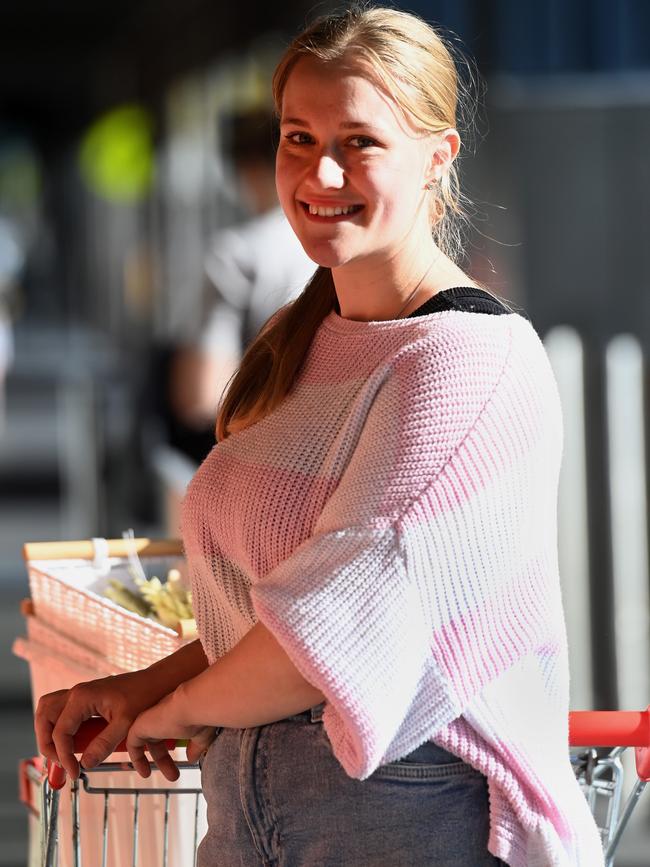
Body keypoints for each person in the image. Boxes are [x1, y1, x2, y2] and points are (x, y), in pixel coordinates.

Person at [35, 7, 604, 866]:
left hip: (412, 812)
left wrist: (176, 711)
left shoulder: (471, 359)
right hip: (247, 800)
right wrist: (144, 686)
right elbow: (278, 606)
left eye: (360, 141)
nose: (319, 169)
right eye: (297, 136)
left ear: (437, 158)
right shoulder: (296, 344)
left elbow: (341, 627)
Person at [166, 108, 315, 463]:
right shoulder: (345, 247)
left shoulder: (237, 253)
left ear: (247, 169)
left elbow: (201, 394)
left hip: (265, 461)